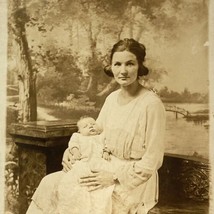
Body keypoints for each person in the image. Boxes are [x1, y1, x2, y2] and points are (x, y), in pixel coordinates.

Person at [26, 38, 166, 214]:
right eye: (117, 64)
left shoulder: (151, 104)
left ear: (139, 66)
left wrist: (114, 177)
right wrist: (71, 152)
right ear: (111, 67)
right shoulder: (111, 99)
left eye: (130, 64)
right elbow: (92, 136)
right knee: (50, 183)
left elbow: (152, 160)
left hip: (134, 180)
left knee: (85, 196)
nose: (123, 71)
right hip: (103, 167)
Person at [57, 116, 115, 214]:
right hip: (83, 162)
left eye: (93, 124)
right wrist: (75, 151)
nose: (91, 127)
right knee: (74, 181)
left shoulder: (101, 136)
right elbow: (73, 144)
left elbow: (107, 144)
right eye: (85, 126)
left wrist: (106, 152)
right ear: (79, 131)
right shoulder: (77, 136)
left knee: (100, 188)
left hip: (99, 163)